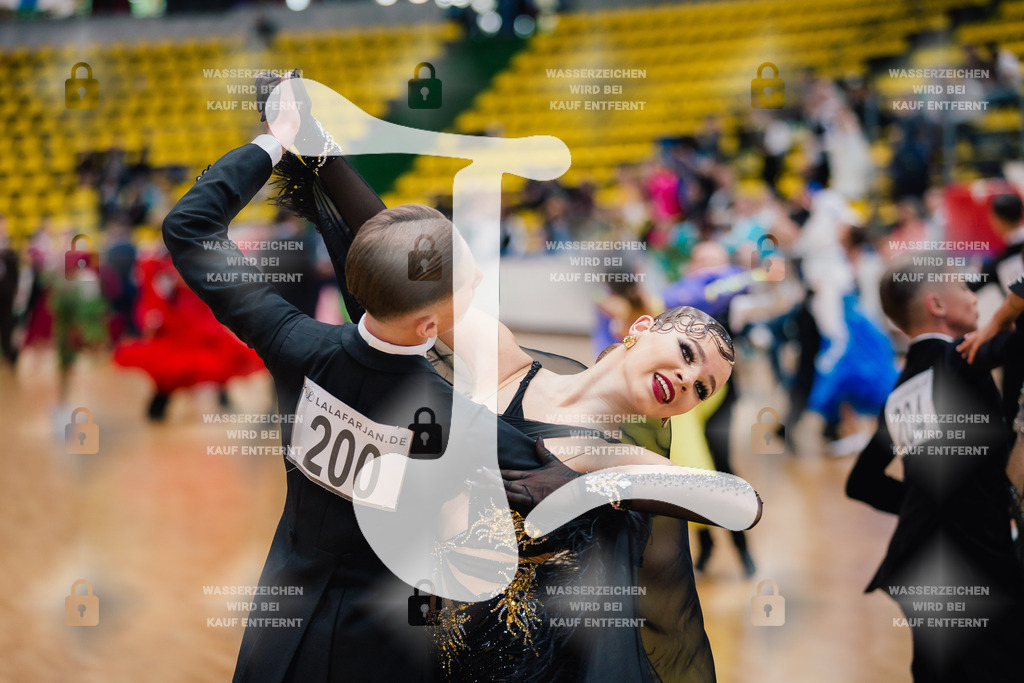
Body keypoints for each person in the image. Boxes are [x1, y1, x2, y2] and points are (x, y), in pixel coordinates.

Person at [266, 80, 762, 680]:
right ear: (639, 328)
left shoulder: (621, 458)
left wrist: (584, 486)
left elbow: (743, 504)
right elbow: (412, 270)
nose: (686, 378)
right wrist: (320, 150)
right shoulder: (503, 360)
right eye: (686, 353)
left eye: (702, 387)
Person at [162, 75, 575, 683]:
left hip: (281, 630)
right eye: (468, 287)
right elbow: (556, 481)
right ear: (430, 323)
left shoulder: (294, 343)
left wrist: (274, 141)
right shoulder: (452, 414)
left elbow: (189, 229)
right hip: (385, 647)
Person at [846, 255, 1024, 682]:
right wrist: (1008, 310)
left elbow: (862, 482)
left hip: (919, 561)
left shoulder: (902, 389)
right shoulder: (963, 359)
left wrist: (931, 502)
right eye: (964, 288)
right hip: (974, 565)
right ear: (937, 305)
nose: (974, 297)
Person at [967, 193, 1024, 424]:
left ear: (997, 219)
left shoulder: (1001, 262)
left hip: (1018, 337)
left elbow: (1016, 297)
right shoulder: (1000, 260)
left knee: (1010, 406)